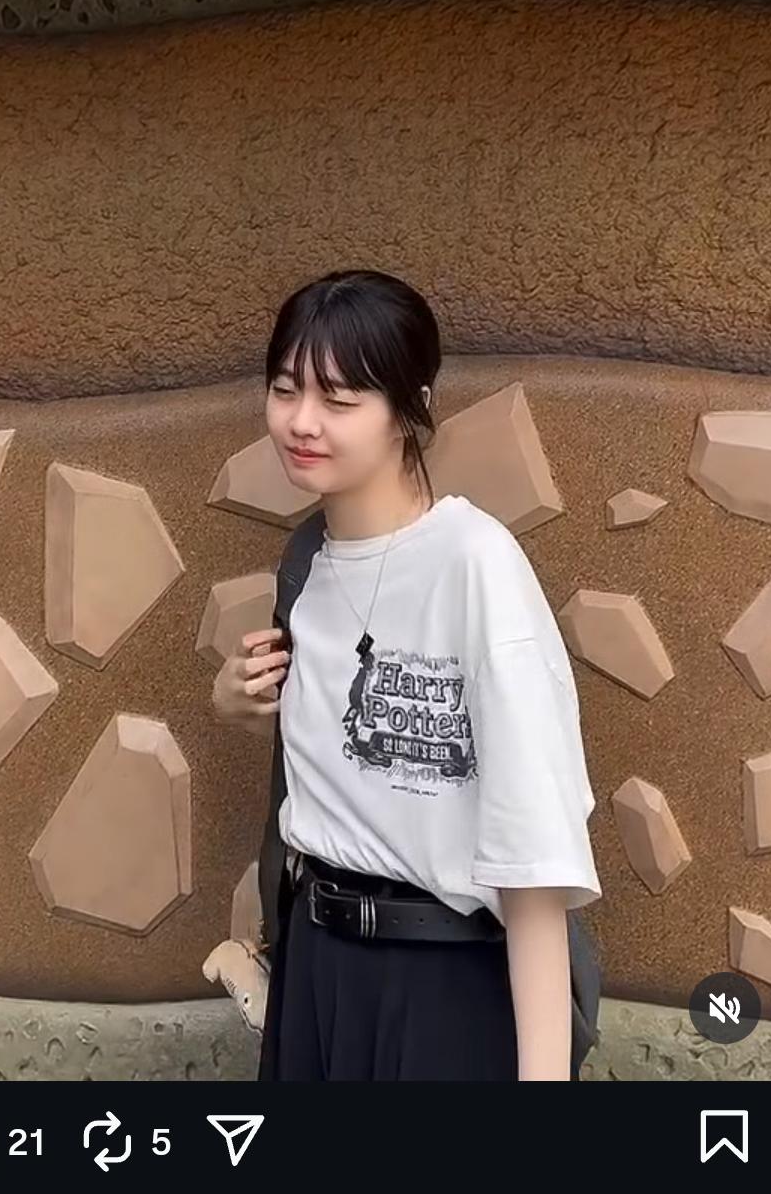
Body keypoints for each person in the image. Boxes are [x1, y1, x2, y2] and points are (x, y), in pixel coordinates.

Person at [212, 268, 602, 1081]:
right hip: (315, 970)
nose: (302, 421)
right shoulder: (305, 564)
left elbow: (533, 857)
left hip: (445, 986)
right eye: (284, 389)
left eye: (340, 398)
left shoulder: (475, 564)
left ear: (408, 407)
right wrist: (236, 702)